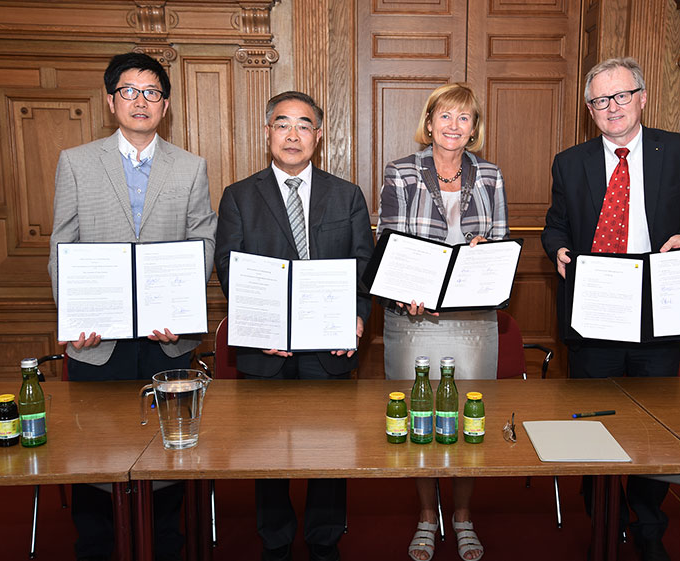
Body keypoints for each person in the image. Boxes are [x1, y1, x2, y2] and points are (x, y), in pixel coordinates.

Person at [541, 57, 680, 561]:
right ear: (589, 109)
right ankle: (605, 521)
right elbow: (556, 223)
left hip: (656, 304)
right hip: (594, 303)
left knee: (653, 424)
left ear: (642, 97)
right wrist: (556, 247)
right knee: (593, 421)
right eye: (600, 100)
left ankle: (648, 524)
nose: (611, 107)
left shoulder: (679, 150)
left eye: (620, 96)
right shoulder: (569, 161)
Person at [47, 52, 217, 561]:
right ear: (110, 100)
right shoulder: (76, 161)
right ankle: (96, 549)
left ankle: (165, 548)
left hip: (167, 343)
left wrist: (185, 312)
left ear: (165, 105)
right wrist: (75, 318)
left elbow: (202, 241)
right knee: (93, 460)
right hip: (97, 345)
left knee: (169, 459)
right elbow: (63, 247)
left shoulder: (190, 166)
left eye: (152, 93)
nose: (140, 101)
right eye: (129, 91)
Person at [214, 91, 374, 561]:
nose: (292, 134)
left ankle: (325, 541)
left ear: (318, 136)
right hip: (264, 351)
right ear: (267, 133)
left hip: (329, 348)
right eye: (282, 124)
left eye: (303, 125)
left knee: (330, 452)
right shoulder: (239, 196)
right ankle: (276, 541)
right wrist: (264, 328)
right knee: (267, 454)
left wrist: (358, 316)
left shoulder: (346, 195)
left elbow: (363, 262)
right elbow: (229, 268)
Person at [377, 82, 508, 561]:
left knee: (469, 418)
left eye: (465, 118)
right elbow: (390, 240)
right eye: (445, 117)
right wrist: (404, 291)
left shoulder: (490, 175)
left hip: (473, 317)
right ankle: (427, 517)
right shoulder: (401, 171)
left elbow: (502, 242)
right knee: (419, 418)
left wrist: (485, 254)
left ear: (474, 128)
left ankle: (463, 516)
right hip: (413, 316)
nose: (454, 126)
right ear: (429, 122)